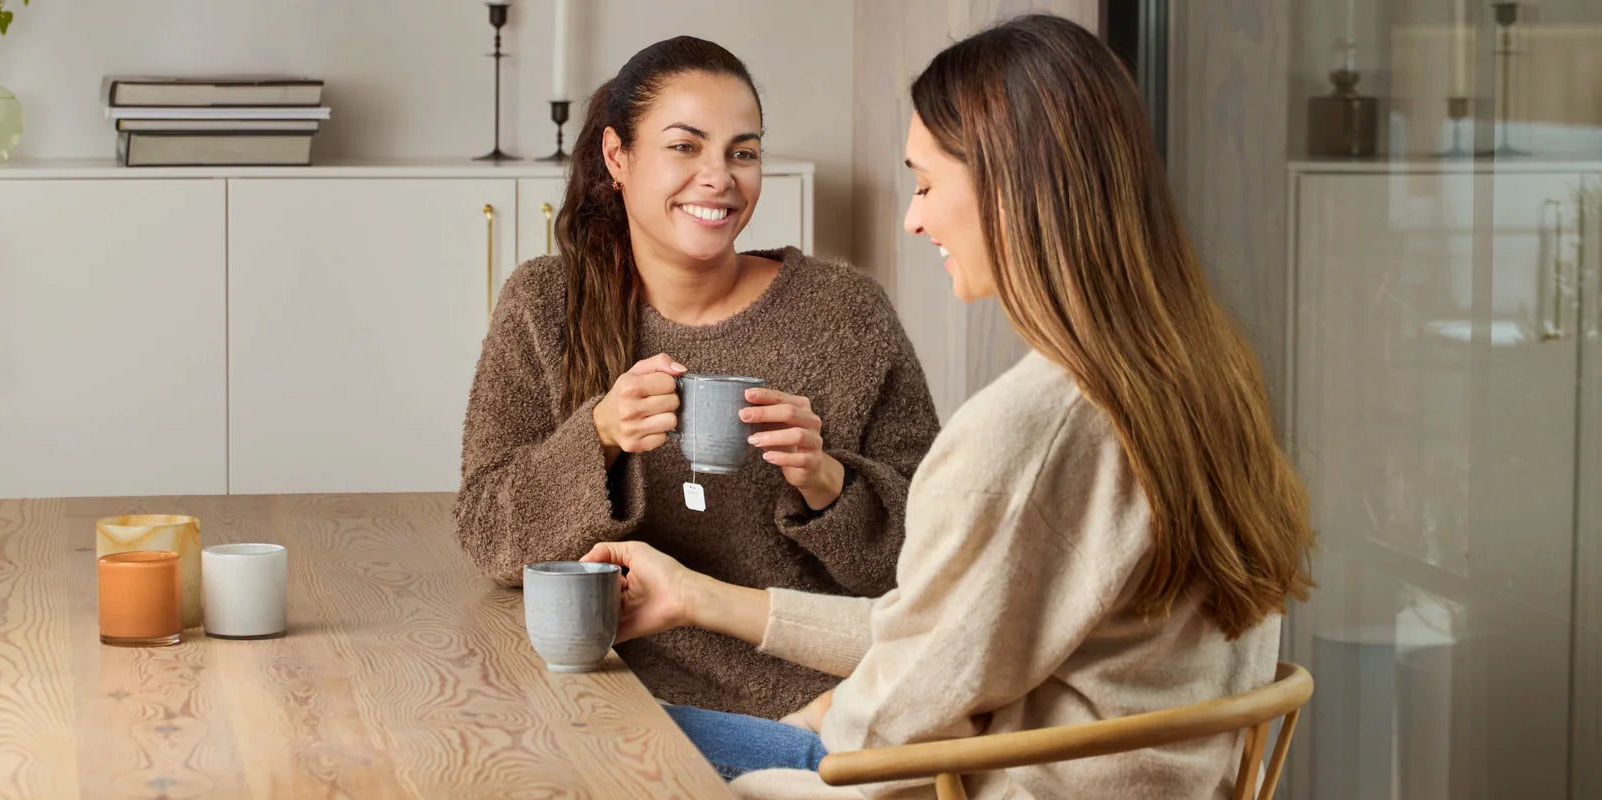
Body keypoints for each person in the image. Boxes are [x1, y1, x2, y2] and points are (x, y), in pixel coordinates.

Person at [582, 14, 1318, 798]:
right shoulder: (1199, 378)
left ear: (1011, 187)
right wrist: (698, 598)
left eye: (927, 184)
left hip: (976, 786)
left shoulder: (1031, 429)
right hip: (1148, 782)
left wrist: (800, 735)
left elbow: (883, 735)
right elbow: (945, 632)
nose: (914, 217)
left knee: (589, 738)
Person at [453, 34, 941, 721]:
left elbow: (934, 566)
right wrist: (598, 435)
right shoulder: (544, 305)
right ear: (617, 157)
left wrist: (827, 483)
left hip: (810, 708)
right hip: (607, 694)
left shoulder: (846, 313)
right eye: (685, 146)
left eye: (743, 152)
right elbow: (489, 537)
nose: (719, 177)